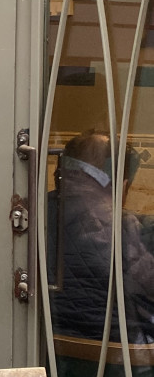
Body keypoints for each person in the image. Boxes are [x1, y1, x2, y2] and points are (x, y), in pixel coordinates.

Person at [49, 130, 154, 344]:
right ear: (122, 184)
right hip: (113, 351)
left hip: (50, 344)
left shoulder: (35, 210)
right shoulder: (122, 226)